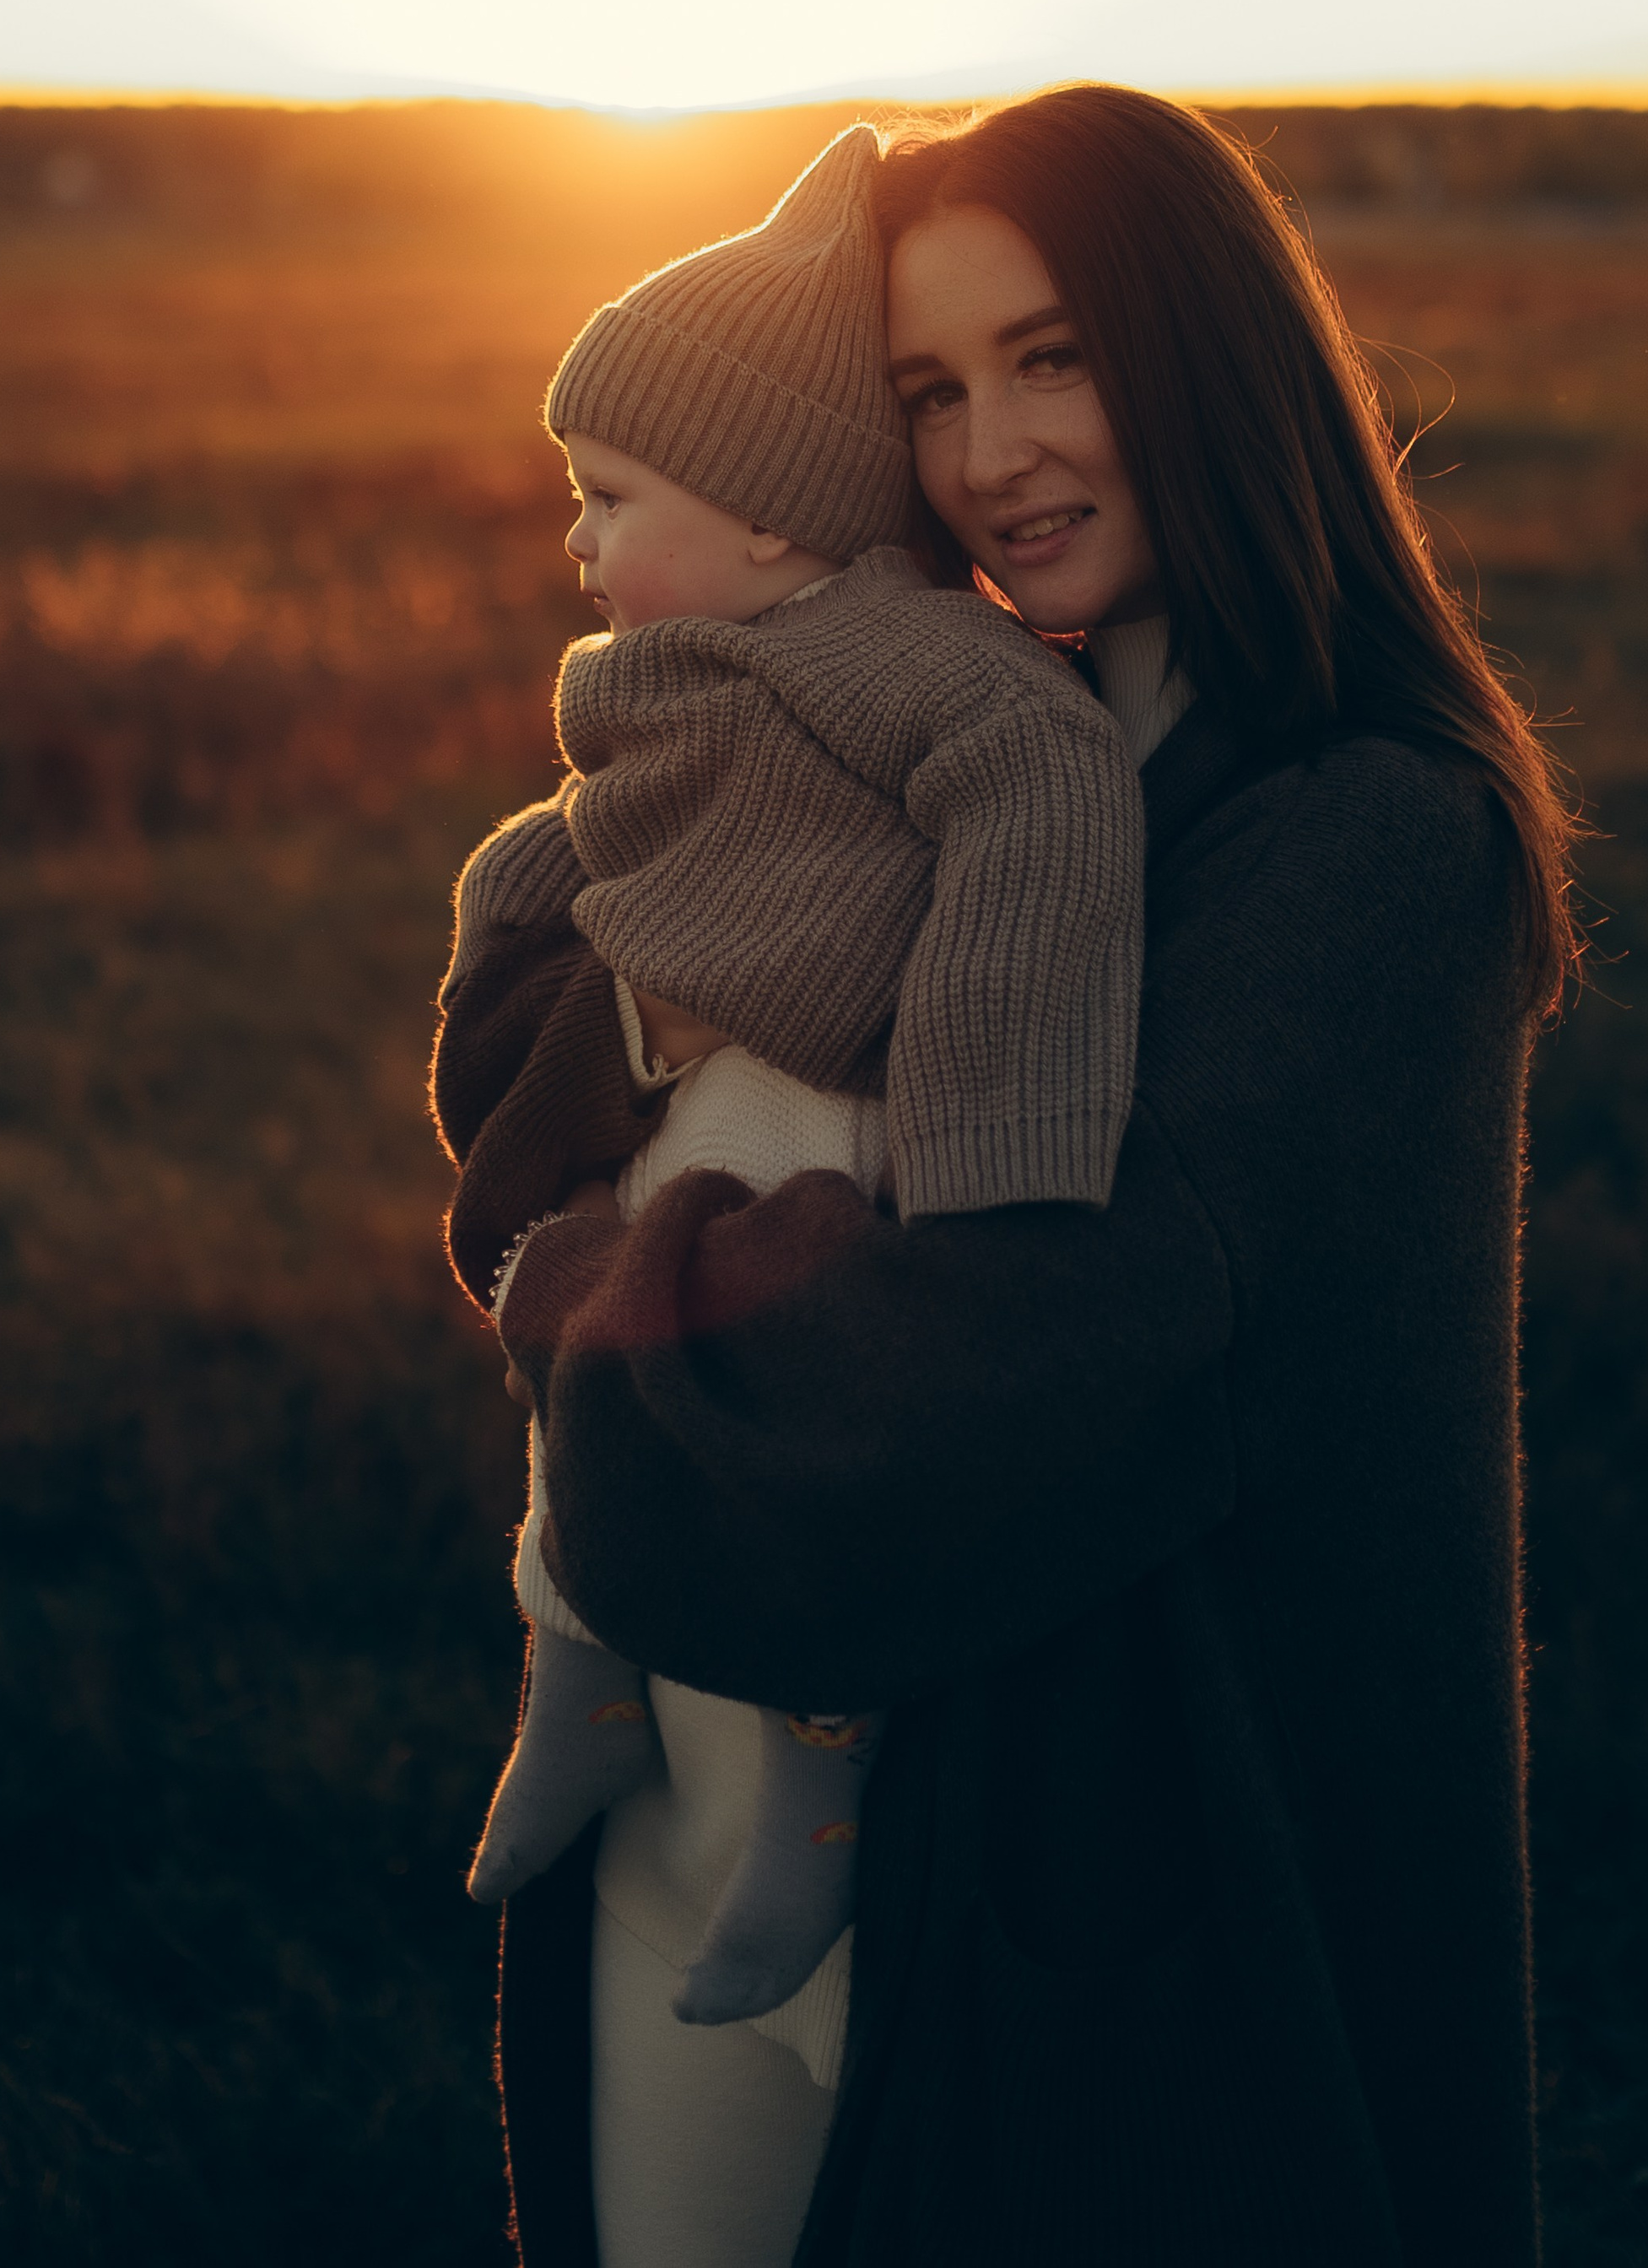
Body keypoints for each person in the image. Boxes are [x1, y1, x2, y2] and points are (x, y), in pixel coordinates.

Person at [447, 84, 1575, 2267]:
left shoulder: (1361, 839)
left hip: (1084, 1927)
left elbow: (986, 1381)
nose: (993, 454)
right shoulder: (942, 751)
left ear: (1210, 349)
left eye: (1054, 355)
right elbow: (558, 980)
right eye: (930, 391)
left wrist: (588, 1283)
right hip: (706, 1813)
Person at [436, 129, 1145, 2072]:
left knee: (816, 1457)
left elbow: (1041, 807)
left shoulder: (918, 662)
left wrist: (990, 1148)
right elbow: (586, 835)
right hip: (696, 1093)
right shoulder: (681, 667)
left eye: (609, 496)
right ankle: (576, 1656)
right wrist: (515, 914)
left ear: (761, 518)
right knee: (588, 1358)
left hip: (851, 1110)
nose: (574, 544)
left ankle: (814, 1813)